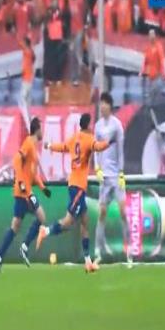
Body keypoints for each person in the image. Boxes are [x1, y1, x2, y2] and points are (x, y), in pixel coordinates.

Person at [36, 113, 112, 273]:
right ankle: (45, 231)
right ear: (88, 125)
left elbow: (62, 147)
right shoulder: (88, 139)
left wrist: (49, 145)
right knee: (68, 221)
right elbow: (98, 147)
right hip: (78, 187)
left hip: (74, 185)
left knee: (84, 222)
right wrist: (110, 141)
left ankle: (88, 262)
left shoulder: (74, 138)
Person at [0, 117, 51, 272]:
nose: (43, 132)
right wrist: (21, 184)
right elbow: (16, 160)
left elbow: (32, 174)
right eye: (41, 128)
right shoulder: (28, 143)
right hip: (25, 193)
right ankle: (24, 247)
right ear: (37, 129)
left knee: (15, 226)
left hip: (22, 193)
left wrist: (43, 187)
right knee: (41, 217)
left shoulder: (33, 147)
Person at [93, 93, 130, 264]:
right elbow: (95, 149)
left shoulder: (117, 126)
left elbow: (121, 150)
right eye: (100, 104)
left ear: (109, 105)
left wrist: (121, 172)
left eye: (104, 104)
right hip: (104, 176)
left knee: (123, 212)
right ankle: (97, 251)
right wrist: (97, 168)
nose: (101, 107)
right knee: (102, 213)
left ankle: (128, 250)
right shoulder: (98, 126)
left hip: (116, 176)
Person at [139, 29, 165, 105]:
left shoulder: (159, 47)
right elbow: (145, 62)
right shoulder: (147, 48)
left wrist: (163, 74)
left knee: (155, 96)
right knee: (150, 98)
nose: (151, 36)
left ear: (155, 36)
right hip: (150, 76)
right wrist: (141, 72)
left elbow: (162, 61)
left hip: (157, 76)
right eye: (150, 35)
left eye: (152, 34)